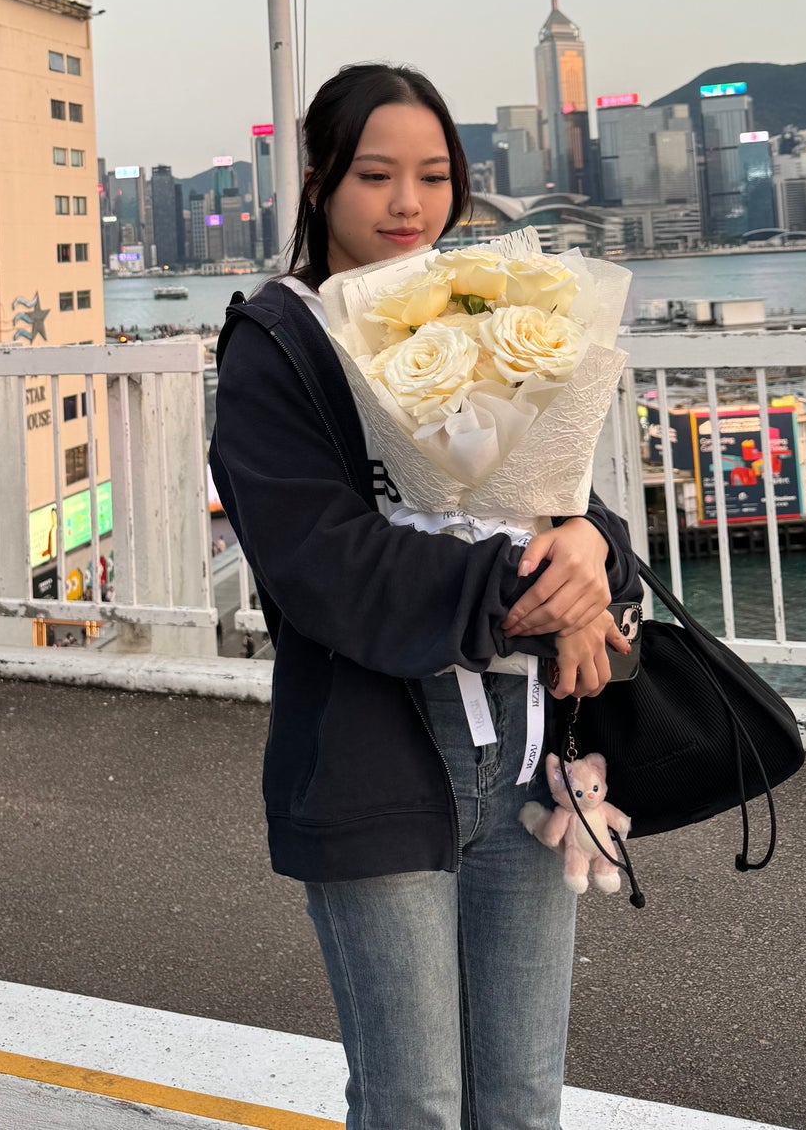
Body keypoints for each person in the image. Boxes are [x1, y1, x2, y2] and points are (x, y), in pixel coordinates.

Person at [209, 63, 641, 1130]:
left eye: (433, 175)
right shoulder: (278, 342)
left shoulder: (471, 315)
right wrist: (523, 588)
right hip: (374, 755)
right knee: (413, 1105)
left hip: (534, 756)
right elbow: (321, 564)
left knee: (520, 1099)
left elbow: (562, 507)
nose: (406, 203)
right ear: (315, 180)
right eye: (373, 173)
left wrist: (591, 551)